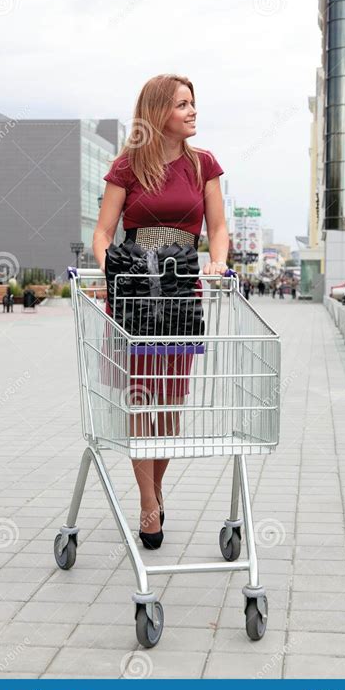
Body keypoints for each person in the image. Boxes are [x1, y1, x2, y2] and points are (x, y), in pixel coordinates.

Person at [93, 74, 228, 551]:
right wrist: (112, 273)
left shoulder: (204, 165)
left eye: (194, 104)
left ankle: (154, 490)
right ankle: (149, 507)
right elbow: (104, 233)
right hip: (134, 295)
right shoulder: (127, 167)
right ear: (157, 114)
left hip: (181, 292)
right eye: (183, 105)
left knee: (170, 405)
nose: (193, 112)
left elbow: (218, 229)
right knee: (139, 401)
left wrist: (217, 261)